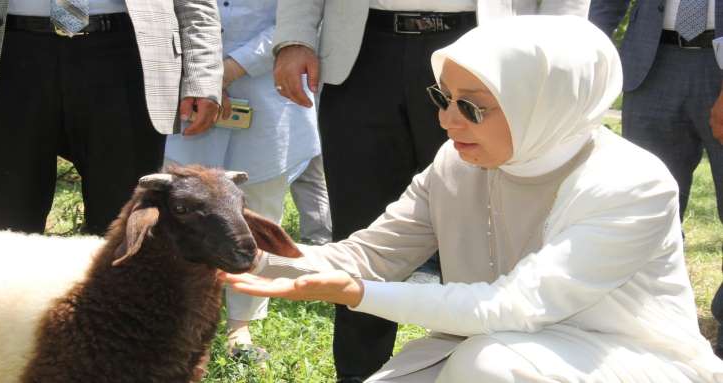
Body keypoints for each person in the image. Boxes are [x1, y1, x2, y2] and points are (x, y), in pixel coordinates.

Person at [221, 16, 723, 382]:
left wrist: (357, 294)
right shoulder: (456, 163)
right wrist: (232, 255)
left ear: (544, 101)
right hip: (489, 349)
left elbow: (515, 305)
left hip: (622, 360)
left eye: (471, 107)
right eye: (442, 98)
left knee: (488, 367)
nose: (446, 121)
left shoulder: (631, 183)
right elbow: (368, 256)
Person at [272, 1, 591, 380]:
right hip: (362, 51)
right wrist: (294, 38)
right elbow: (367, 249)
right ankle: (358, 373)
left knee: (483, 225)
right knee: (361, 223)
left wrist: (556, 49)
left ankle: (490, 364)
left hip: (486, 46)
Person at [163, 0, 321, 363]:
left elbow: (296, 20)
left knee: (257, 213)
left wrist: (228, 71)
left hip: (269, 92)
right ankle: (179, 315)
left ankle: (240, 324)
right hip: (184, 87)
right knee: (177, 210)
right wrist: (203, 74)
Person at [0, 0, 222, 236]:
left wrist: (203, 74)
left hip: (127, 58)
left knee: (121, 229)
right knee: (4, 224)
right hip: (9, 54)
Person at [589, 0, 723, 358]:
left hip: (718, 65)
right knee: (642, 207)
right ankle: (647, 321)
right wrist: (590, 57)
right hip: (651, 67)